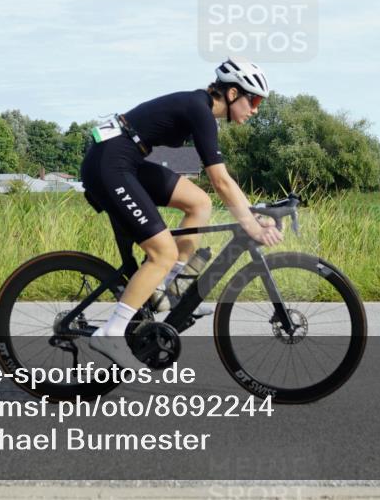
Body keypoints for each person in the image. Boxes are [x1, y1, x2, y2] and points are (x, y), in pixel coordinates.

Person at [80, 58, 284, 370]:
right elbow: (221, 180)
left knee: (199, 203)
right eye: (253, 100)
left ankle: (169, 291)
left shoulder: (200, 109)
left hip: (125, 159)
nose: (255, 109)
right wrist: (250, 223)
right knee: (162, 252)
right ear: (232, 94)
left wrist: (251, 214)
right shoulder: (198, 110)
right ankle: (112, 331)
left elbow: (221, 183)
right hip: (109, 163)